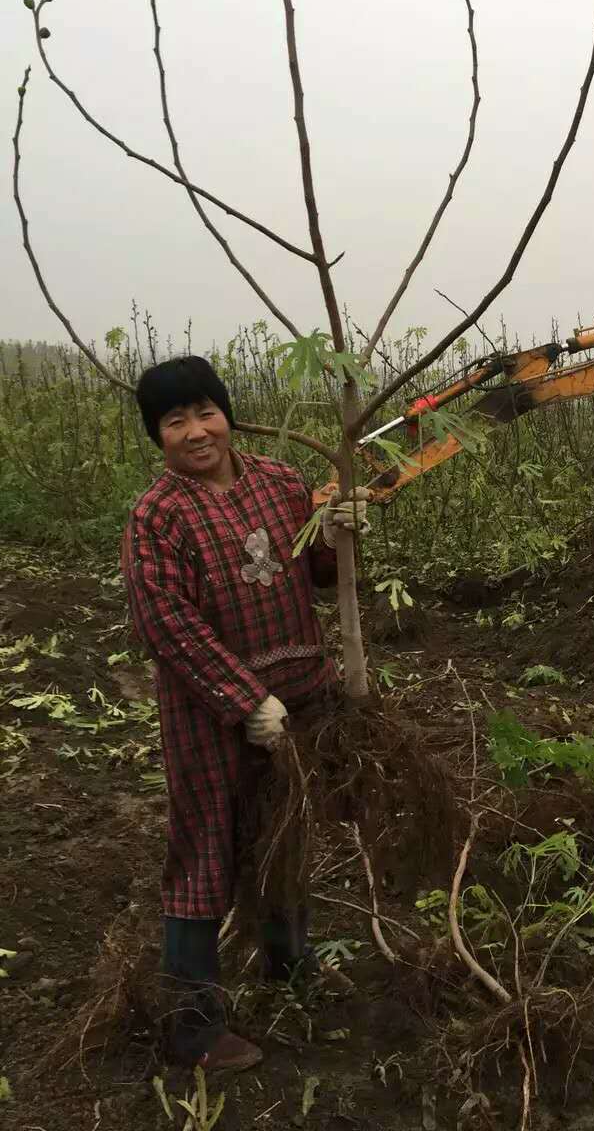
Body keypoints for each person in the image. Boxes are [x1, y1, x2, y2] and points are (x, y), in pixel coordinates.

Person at [123, 356, 369, 1072]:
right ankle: (193, 1027)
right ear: (157, 436)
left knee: (283, 833)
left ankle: (291, 966)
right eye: (175, 422)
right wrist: (243, 700)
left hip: (302, 697)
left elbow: (318, 574)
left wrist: (336, 533)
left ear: (227, 414)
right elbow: (165, 624)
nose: (196, 432)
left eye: (206, 413)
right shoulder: (157, 515)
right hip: (211, 712)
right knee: (206, 853)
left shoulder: (282, 482)